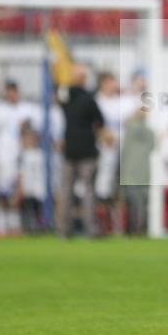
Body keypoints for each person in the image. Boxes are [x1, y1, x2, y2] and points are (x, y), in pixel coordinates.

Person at [58, 64, 106, 238]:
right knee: (88, 193)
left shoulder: (65, 97)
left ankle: (64, 230)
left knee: (67, 192)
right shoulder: (89, 99)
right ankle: (90, 229)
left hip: (70, 149)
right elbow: (100, 121)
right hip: (87, 150)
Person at [0, 80, 36, 237]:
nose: (11, 95)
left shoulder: (27, 110)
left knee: (17, 193)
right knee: (2, 193)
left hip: (21, 157)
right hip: (3, 156)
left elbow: (31, 132)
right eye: (8, 92)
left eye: (14, 91)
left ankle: (15, 226)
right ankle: (0, 227)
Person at [94, 72, 124, 234]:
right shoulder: (97, 101)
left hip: (121, 152)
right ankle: (101, 225)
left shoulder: (119, 101)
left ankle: (116, 225)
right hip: (103, 151)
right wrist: (103, 134)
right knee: (101, 188)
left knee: (117, 191)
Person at [120, 107, 155, 235]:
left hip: (129, 172)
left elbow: (123, 152)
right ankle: (142, 228)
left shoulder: (129, 130)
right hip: (144, 172)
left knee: (131, 203)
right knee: (143, 203)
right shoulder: (149, 132)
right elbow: (153, 147)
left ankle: (131, 229)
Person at [17, 126, 47, 233]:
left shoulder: (41, 154)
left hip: (39, 187)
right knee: (27, 208)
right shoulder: (22, 154)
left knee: (38, 209)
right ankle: (27, 228)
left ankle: (40, 227)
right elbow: (20, 173)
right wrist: (20, 187)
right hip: (27, 187)